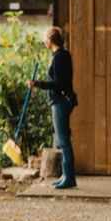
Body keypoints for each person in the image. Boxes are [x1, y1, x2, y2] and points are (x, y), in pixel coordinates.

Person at [30, 26, 77, 189]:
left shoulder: (59, 58)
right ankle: (66, 175)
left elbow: (59, 84)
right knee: (62, 140)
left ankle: (69, 178)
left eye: (45, 38)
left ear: (51, 40)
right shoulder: (61, 55)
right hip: (62, 101)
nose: (44, 41)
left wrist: (37, 84)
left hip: (60, 102)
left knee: (63, 141)